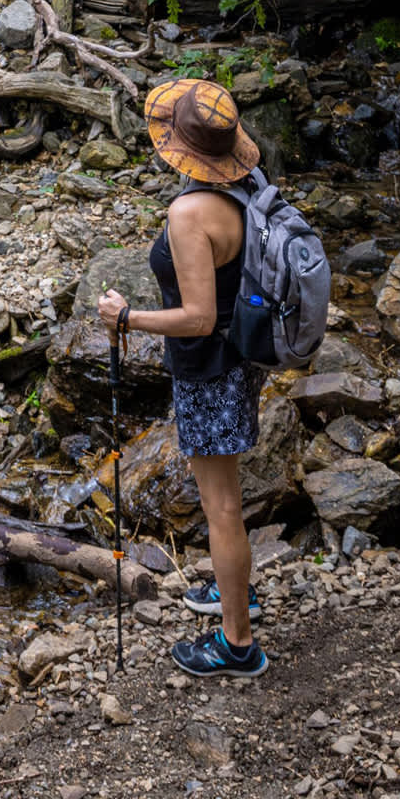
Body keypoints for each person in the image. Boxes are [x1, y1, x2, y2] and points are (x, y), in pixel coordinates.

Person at [96, 77, 270, 678]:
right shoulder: (247, 187)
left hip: (211, 368)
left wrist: (128, 318)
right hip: (239, 357)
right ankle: (232, 597)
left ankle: (237, 644)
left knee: (221, 506)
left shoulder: (190, 212)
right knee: (224, 499)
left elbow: (196, 318)